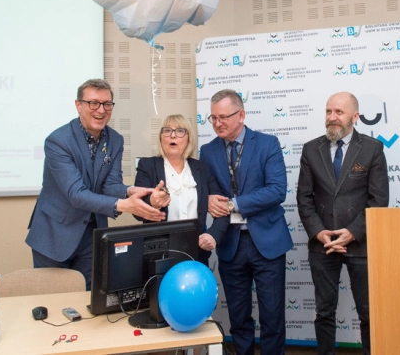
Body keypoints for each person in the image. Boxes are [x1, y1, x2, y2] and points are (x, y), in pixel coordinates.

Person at [25, 79, 168, 290]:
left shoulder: (115, 140)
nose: (101, 110)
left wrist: (130, 191)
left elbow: (110, 185)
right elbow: (76, 194)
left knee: (89, 300)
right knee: (52, 304)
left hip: (92, 235)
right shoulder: (58, 141)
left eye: (107, 104)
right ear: (78, 105)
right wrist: (125, 205)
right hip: (55, 234)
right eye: (93, 103)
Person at [200, 89, 293, 355]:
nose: (218, 123)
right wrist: (208, 200)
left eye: (224, 117)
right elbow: (209, 191)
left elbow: (277, 190)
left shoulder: (267, 144)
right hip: (231, 244)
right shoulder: (208, 151)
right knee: (239, 318)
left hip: (267, 242)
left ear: (241, 115)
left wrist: (234, 204)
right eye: (213, 118)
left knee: (272, 316)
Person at [296, 92, 389, 355]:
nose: (332, 118)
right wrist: (318, 232)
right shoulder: (311, 149)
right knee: (324, 312)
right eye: (328, 112)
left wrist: (352, 232)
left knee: (368, 312)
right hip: (322, 244)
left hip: (360, 245)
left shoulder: (372, 149)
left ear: (355, 117)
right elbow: (303, 198)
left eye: (339, 112)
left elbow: (378, 199)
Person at [133, 113, 227, 265]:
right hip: (158, 256)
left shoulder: (202, 168)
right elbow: (136, 212)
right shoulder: (147, 166)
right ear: (161, 138)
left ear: (188, 139)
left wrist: (213, 235)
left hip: (196, 252)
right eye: (167, 131)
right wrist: (152, 202)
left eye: (179, 131)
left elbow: (222, 208)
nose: (173, 136)